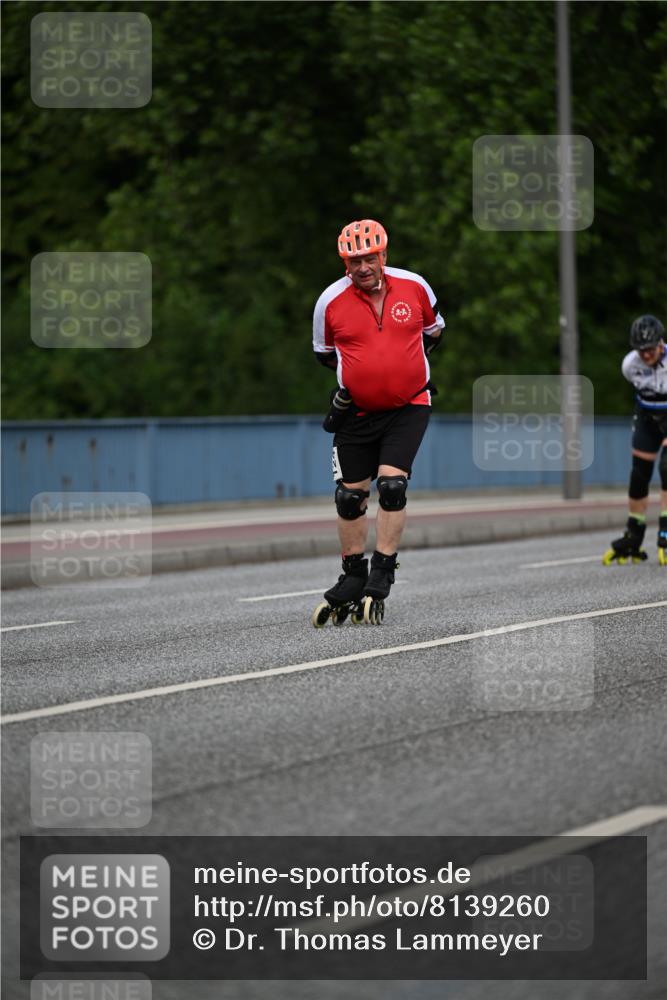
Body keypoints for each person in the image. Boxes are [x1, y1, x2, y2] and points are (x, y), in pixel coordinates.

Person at [311, 219, 445, 625]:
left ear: (384, 255)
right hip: (356, 414)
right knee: (349, 497)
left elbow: (434, 332)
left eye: (370, 257)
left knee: (391, 484)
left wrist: (397, 369)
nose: (363, 266)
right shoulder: (329, 302)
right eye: (354, 261)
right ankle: (353, 576)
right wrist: (363, 376)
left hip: (409, 405)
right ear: (344, 263)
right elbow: (324, 354)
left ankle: (383, 570)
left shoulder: (415, 286)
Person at [603, 314, 667, 565]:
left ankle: (665, 527)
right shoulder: (630, 365)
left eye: (650, 349)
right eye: (641, 350)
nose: (646, 355)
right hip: (647, 416)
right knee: (639, 474)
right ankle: (634, 532)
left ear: (661, 343)